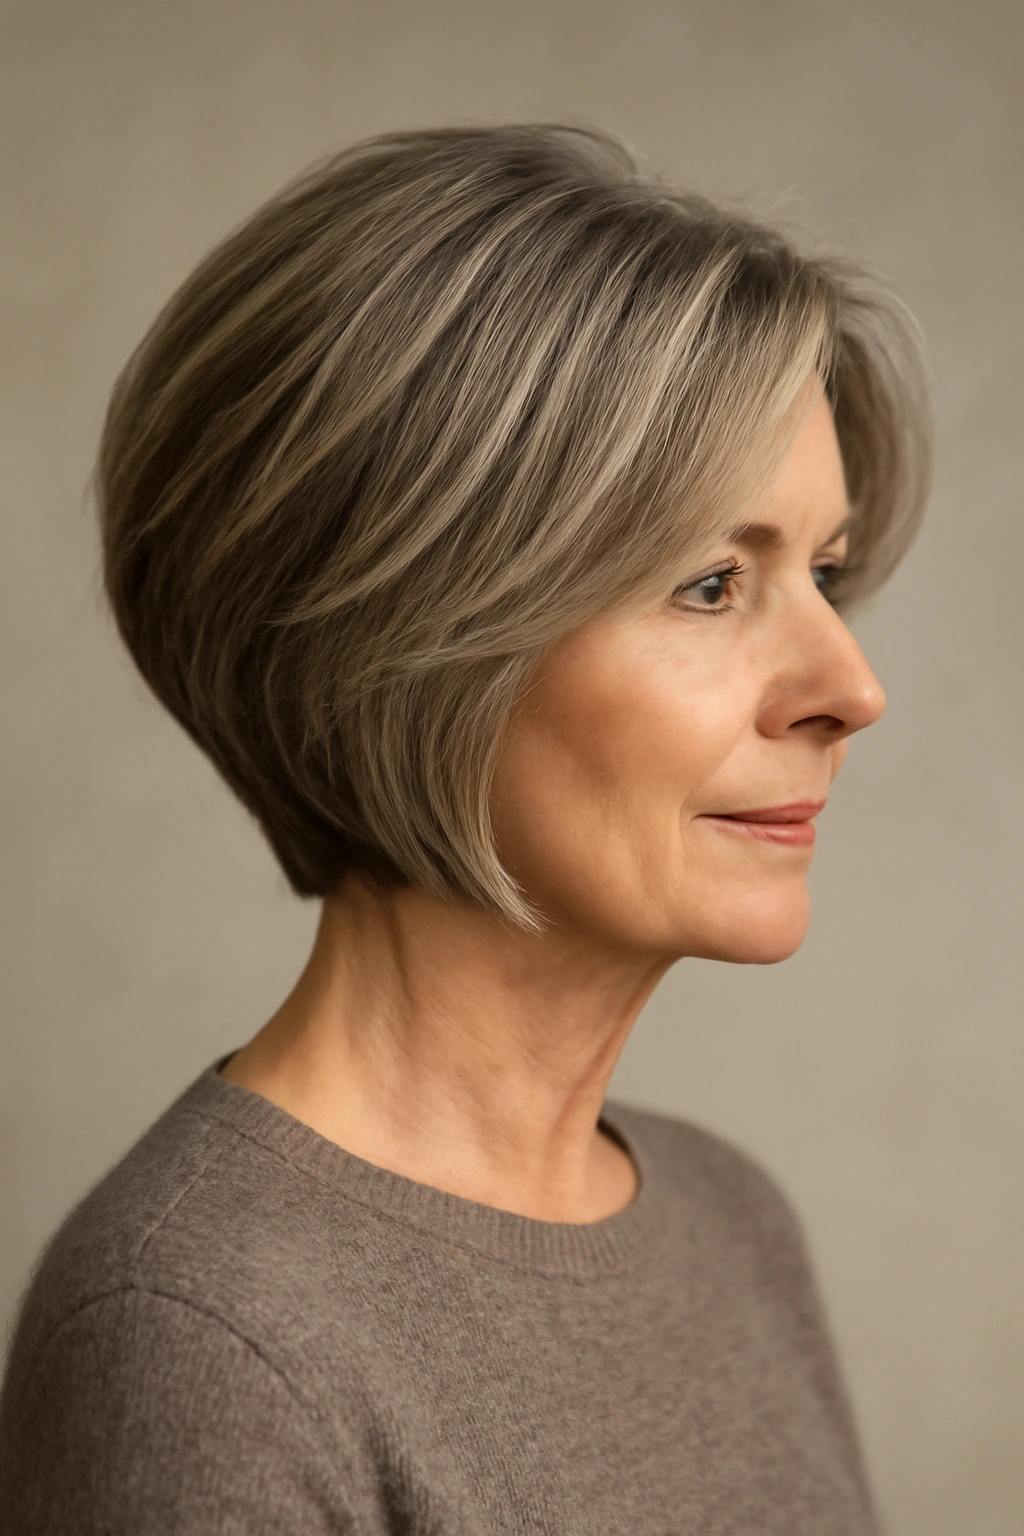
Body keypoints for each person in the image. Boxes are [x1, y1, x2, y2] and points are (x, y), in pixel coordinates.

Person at [0, 123, 931, 1534]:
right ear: (411, 638)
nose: (849, 689)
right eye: (706, 584)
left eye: (827, 571)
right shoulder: (200, 1335)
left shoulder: (730, 1223)